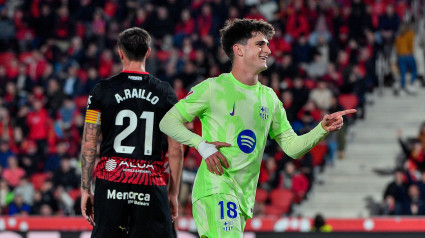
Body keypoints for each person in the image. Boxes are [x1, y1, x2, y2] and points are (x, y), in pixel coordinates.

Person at [160, 18, 356, 238]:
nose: (268, 50)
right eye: (260, 44)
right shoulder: (213, 88)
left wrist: (321, 128)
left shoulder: (269, 98)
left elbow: (291, 147)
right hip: (217, 189)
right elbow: (168, 121)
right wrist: (202, 146)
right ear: (239, 50)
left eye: (267, 44)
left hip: (242, 197)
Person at [80, 27, 183, 238]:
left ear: (120, 53)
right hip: (150, 184)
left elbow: (89, 142)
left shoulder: (101, 90)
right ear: (148, 52)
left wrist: (85, 189)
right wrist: (172, 193)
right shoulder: (165, 92)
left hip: (111, 182)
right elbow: (176, 148)